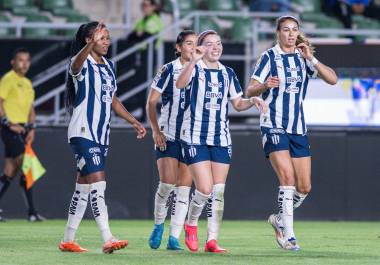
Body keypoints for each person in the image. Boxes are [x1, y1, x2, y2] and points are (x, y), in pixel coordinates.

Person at [246, 15, 338, 251]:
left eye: (294, 30)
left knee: (304, 187)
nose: (290, 34)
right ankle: (289, 235)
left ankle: (279, 219)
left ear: (298, 33)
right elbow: (249, 90)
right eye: (285, 30)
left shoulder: (302, 57)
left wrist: (312, 58)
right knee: (287, 179)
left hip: (298, 127)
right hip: (273, 123)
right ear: (278, 33)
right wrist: (265, 85)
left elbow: (333, 79)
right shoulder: (269, 57)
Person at [176, 30, 267, 253]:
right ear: (200, 48)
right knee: (204, 188)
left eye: (218, 43)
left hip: (220, 138)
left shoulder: (227, 73)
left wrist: (252, 100)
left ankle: (212, 240)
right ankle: (191, 223)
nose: (215, 47)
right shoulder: (194, 68)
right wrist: (193, 61)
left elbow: (237, 103)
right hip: (195, 136)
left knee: (217, 191)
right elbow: (179, 84)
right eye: (209, 44)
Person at [59, 21, 146, 253]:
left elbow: (113, 99)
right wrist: (89, 45)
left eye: (108, 37)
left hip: (101, 134)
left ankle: (68, 239)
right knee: (99, 183)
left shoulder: (109, 66)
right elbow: (75, 66)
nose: (107, 42)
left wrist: (133, 121)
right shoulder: (80, 62)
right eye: (102, 38)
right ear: (89, 41)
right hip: (83, 132)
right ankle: (108, 237)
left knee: (84, 187)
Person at [146, 30, 196, 250]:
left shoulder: (201, 70)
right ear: (178, 47)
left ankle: (174, 237)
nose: (192, 48)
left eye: (196, 44)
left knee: (184, 188)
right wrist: (155, 130)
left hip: (190, 136)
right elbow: (151, 101)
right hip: (168, 133)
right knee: (167, 183)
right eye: (188, 43)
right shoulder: (168, 69)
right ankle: (158, 224)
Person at [0, 48, 45, 222]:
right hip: (9, 129)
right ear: (13, 62)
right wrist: (9, 124)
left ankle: (32, 213)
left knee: (10, 171)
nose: (24, 63)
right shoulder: (8, 79)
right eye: (20, 60)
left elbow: (31, 109)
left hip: (22, 129)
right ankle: (32, 213)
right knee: (29, 166)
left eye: (27, 60)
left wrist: (32, 128)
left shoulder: (27, 83)